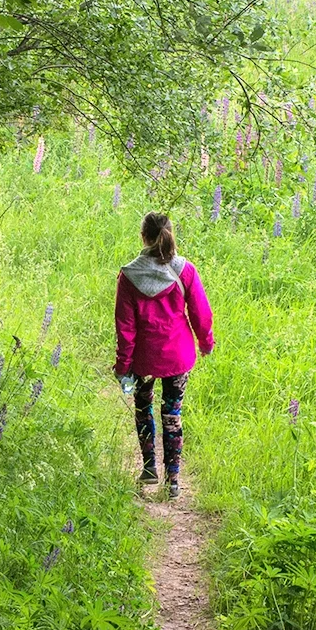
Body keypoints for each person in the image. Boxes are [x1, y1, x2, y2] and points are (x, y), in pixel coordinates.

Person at [113, 211, 214, 499]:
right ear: (171, 235)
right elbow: (201, 313)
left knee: (143, 408)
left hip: (143, 359)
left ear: (143, 237)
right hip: (177, 356)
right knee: (172, 413)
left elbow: (125, 328)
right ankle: (173, 480)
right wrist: (206, 343)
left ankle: (149, 468)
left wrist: (123, 366)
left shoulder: (129, 276)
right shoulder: (185, 271)